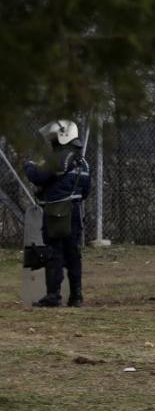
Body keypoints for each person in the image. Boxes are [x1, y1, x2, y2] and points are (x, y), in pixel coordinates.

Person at [24, 120, 91, 307]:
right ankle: (76, 296)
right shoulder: (83, 162)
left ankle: (53, 295)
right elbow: (86, 191)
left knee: (54, 252)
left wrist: (28, 165)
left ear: (62, 137)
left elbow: (37, 176)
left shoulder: (59, 159)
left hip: (55, 213)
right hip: (75, 211)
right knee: (73, 253)